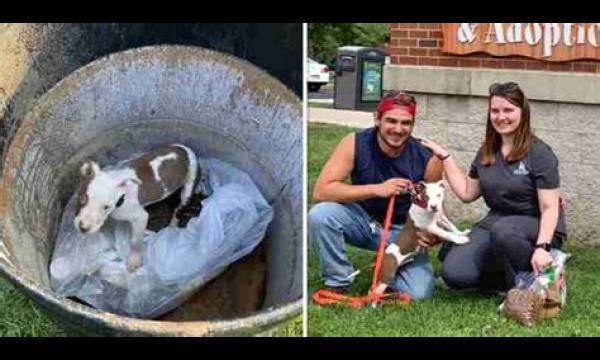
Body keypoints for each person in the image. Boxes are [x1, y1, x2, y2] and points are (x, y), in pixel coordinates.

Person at [419, 82, 567, 293]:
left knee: (504, 230)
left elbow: (550, 207)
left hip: (538, 224)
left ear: (522, 113)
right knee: (455, 274)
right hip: (497, 223)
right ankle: (502, 278)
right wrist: (445, 157)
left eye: (508, 110)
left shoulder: (540, 153)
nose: (501, 116)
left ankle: (532, 279)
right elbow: (467, 193)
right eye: (495, 110)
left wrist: (543, 247)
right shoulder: (487, 151)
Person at [308, 90, 444, 300]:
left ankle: (390, 265)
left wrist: (433, 235)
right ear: (377, 119)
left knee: (418, 294)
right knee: (321, 215)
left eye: (406, 123)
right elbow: (321, 191)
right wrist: (377, 189)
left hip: (403, 232)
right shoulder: (355, 143)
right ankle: (338, 280)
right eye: (391, 121)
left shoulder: (427, 158)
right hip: (363, 222)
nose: (398, 129)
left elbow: (434, 211)